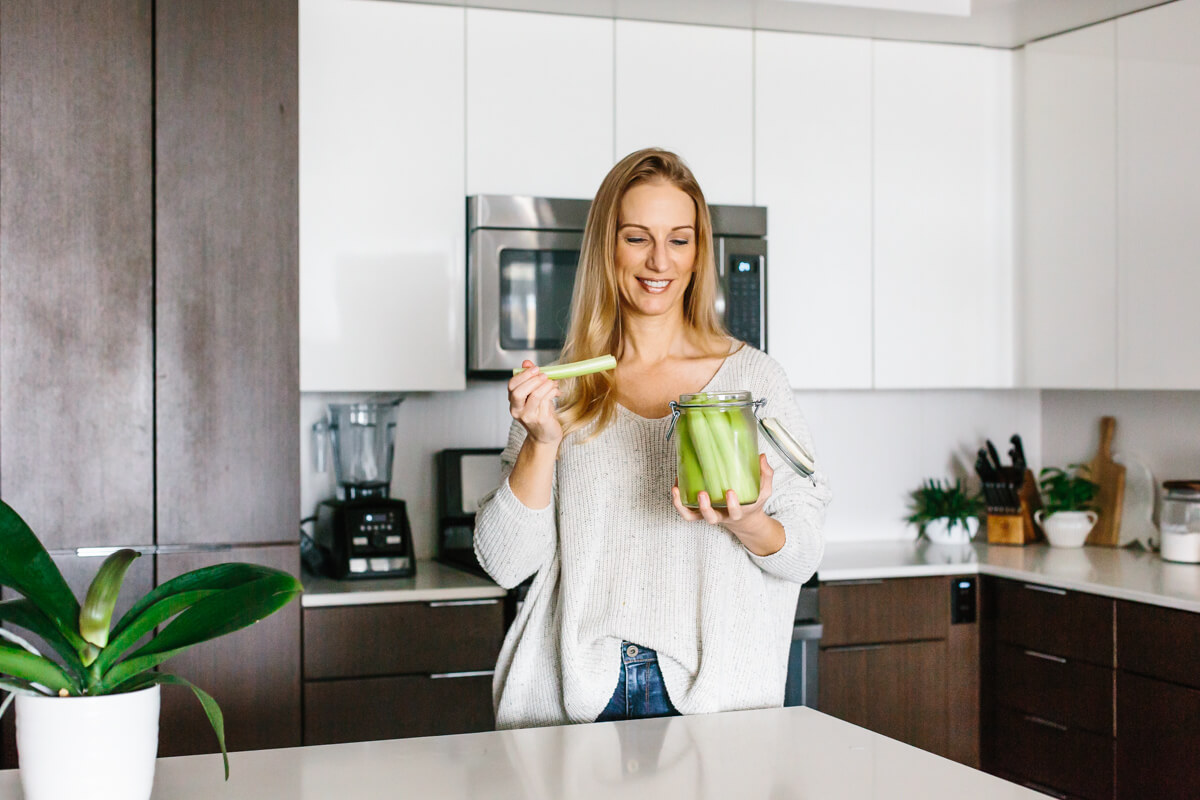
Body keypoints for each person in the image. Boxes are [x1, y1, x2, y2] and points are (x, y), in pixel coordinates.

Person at [474, 147, 832, 730]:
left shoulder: (753, 381)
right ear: (606, 248)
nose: (659, 260)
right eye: (637, 237)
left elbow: (805, 552)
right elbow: (505, 564)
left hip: (714, 700)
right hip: (576, 696)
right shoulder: (565, 387)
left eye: (679, 239)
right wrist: (542, 441)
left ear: (698, 253)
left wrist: (748, 521)